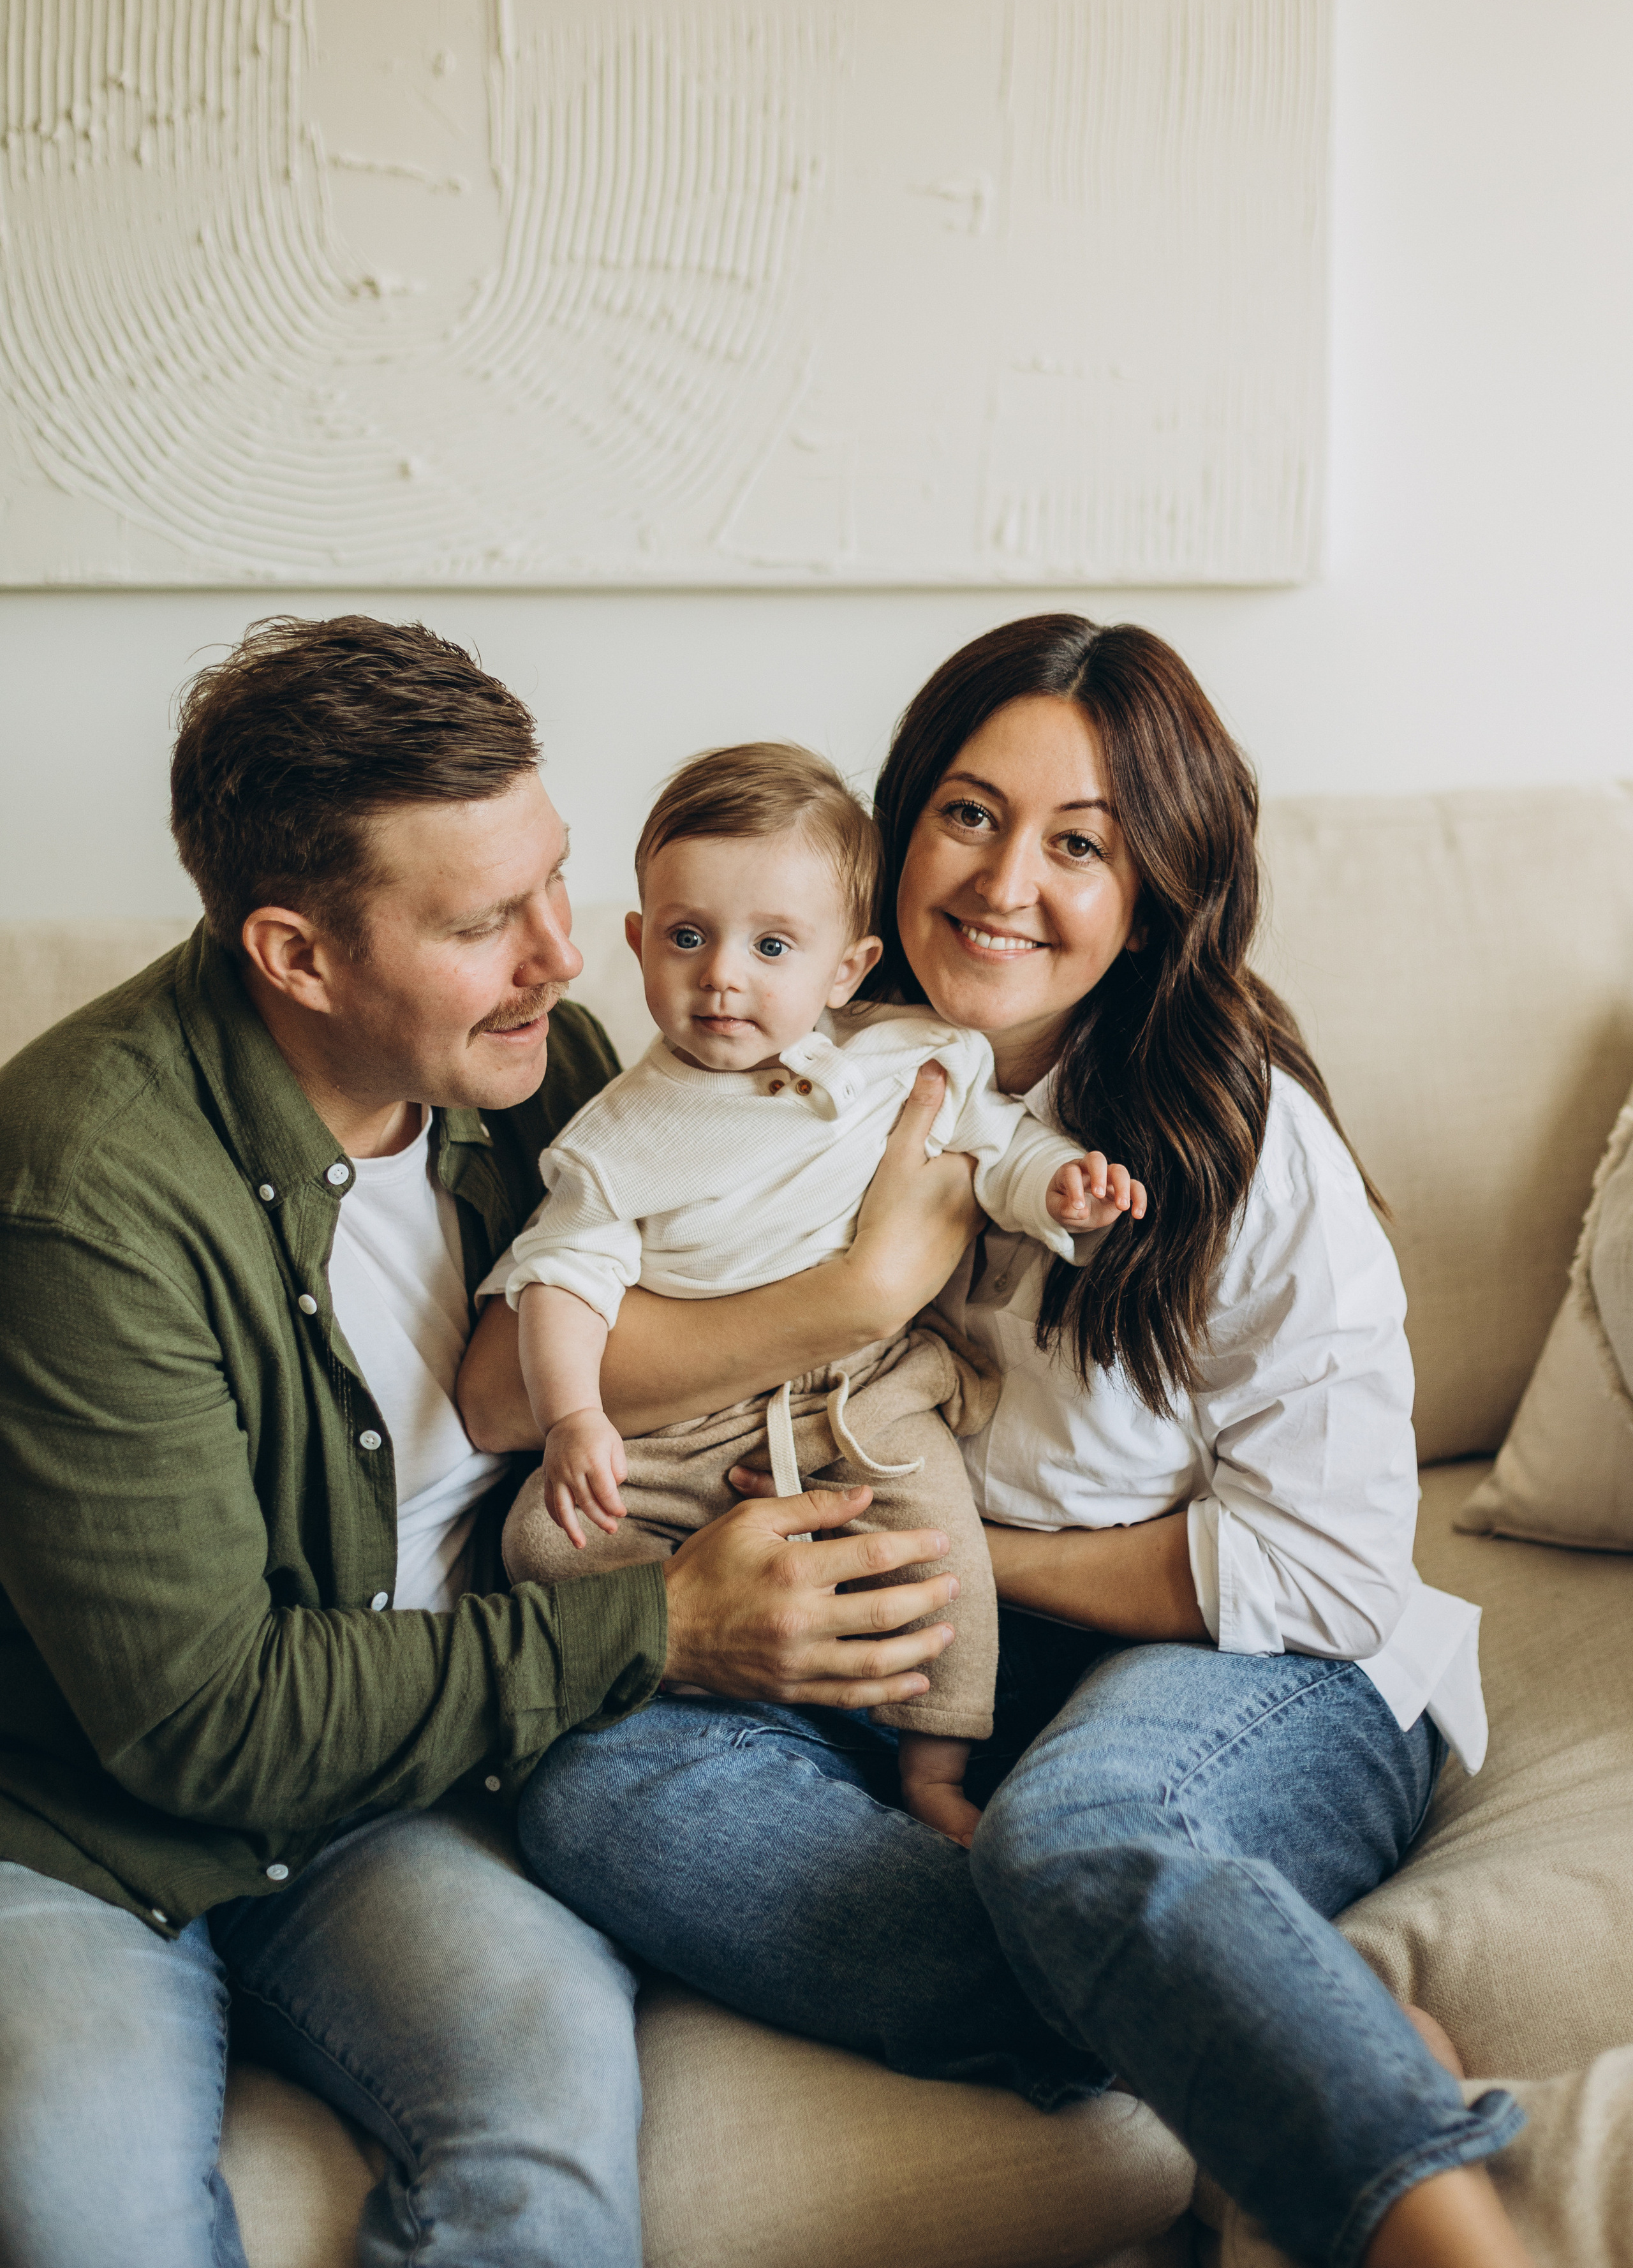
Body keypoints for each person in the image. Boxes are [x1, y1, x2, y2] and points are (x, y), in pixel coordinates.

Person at [462, 616, 1535, 2268]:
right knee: (599, 1785)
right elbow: (499, 1386)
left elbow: (1324, 1567)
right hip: (907, 1676)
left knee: (1079, 1839)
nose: (1003, 881)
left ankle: (1437, 2223)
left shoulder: (1233, 1135)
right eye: (969, 815)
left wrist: (943, 1565)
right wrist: (847, 1297)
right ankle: (1275, 2021)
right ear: (898, 832)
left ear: (1155, 887)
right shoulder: (789, 1044)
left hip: (1268, 1661)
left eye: (1081, 844)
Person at [0, 614, 973, 2268]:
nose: (560, 956)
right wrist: (657, 1626)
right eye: (481, 922)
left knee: (550, 2114)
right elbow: (201, 1721)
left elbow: (607, 1354)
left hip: (396, 1799)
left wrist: (849, 1312)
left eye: (556, 886)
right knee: (98, 2223)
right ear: (297, 956)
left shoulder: (544, 1078)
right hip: (85, 1826)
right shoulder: (85, 1193)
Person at [490, 739, 1144, 1842]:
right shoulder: (614, 1138)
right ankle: (729, 1645)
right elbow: (563, 1278)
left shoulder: (910, 1059)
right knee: (540, 1548)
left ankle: (936, 1771)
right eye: (688, 938)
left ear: (846, 968)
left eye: (773, 945)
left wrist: (1060, 1190)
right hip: (675, 1437)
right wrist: (574, 1417)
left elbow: (996, 1148)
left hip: (861, 1399)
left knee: (941, 1551)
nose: (723, 975)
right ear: (641, 944)